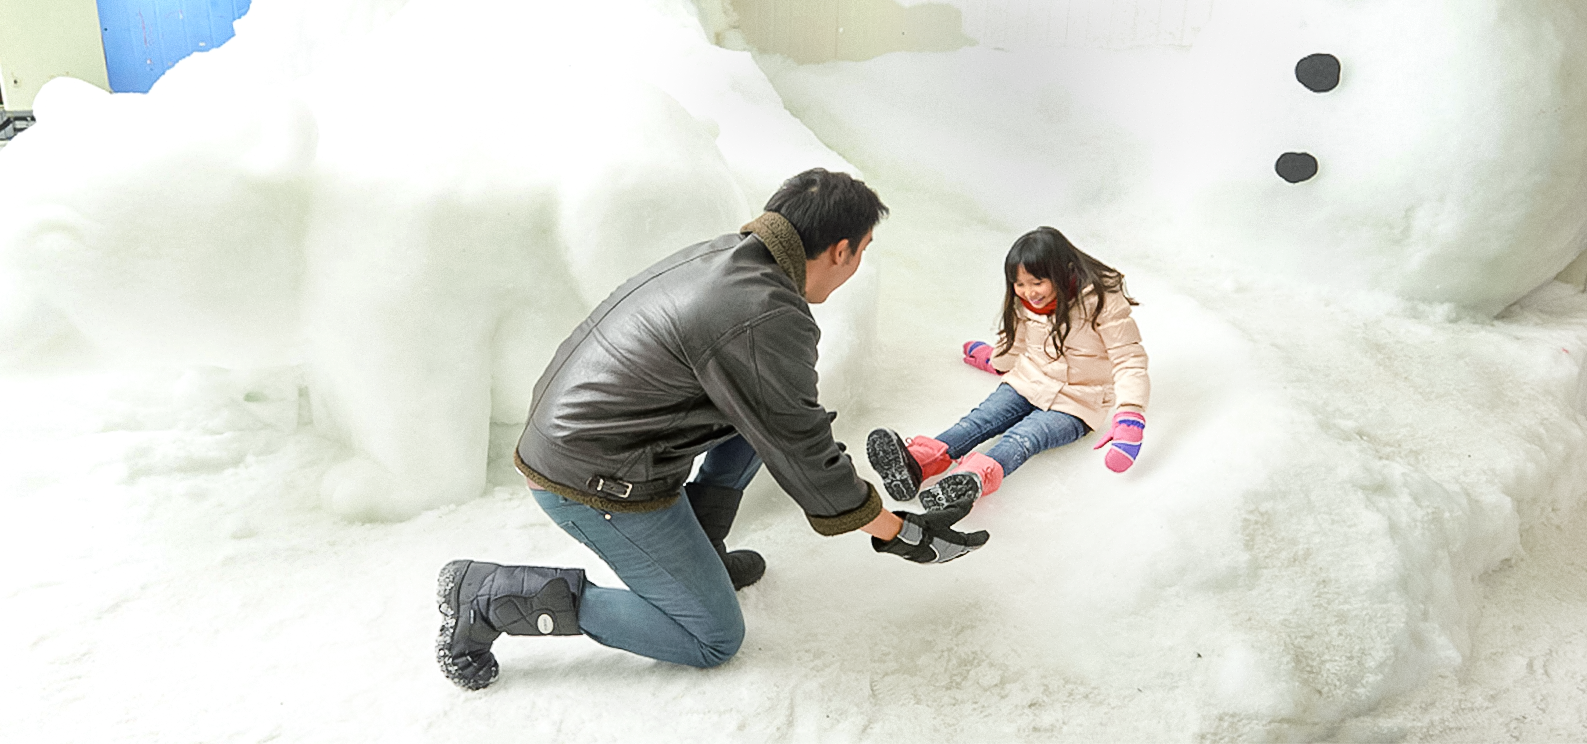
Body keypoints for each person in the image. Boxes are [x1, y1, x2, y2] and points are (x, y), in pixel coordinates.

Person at [436, 169, 989, 690]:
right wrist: (899, 532)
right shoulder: (764, 315)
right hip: (591, 481)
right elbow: (800, 447)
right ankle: (491, 596)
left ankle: (701, 551)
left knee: (765, 417)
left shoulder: (731, 260)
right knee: (711, 636)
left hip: (592, 442)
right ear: (840, 250)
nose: (857, 267)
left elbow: (784, 421)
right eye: (862, 252)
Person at [867, 227, 1150, 510]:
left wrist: (1130, 416)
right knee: (978, 422)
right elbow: (1018, 343)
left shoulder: (1102, 302)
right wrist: (995, 361)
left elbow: (1129, 359)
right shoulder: (1025, 303)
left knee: (1024, 438)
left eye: (1036, 282)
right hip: (1026, 381)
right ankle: (916, 464)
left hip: (1078, 403)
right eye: (1019, 284)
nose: (1028, 292)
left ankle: (972, 479)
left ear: (1062, 272)